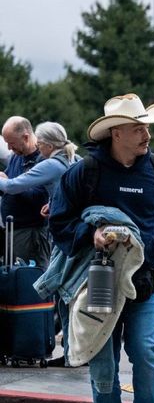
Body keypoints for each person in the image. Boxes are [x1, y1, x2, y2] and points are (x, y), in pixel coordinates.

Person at [49, 93, 154, 403]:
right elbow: (59, 222)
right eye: (138, 128)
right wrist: (90, 235)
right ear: (116, 134)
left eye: (146, 127)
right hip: (98, 281)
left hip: (145, 280)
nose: (147, 135)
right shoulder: (85, 172)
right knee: (103, 362)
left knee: (147, 352)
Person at [0, 121, 83, 367]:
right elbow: (72, 194)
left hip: (62, 237)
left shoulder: (51, 163)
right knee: (68, 295)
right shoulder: (73, 159)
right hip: (73, 234)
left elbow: (14, 186)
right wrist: (55, 204)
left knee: (54, 289)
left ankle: (62, 350)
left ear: (46, 144)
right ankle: (72, 353)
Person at [0, 116, 49, 269]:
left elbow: (40, 199)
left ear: (25, 137)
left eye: (12, 143)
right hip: (12, 230)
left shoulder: (43, 160)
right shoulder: (17, 157)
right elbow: (8, 184)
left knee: (30, 280)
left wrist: (10, 185)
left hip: (31, 233)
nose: (8, 149)